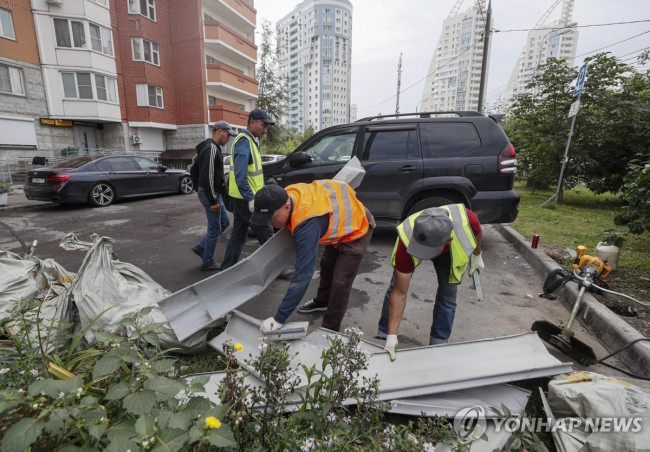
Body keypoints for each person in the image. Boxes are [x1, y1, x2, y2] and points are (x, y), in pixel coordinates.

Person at [249, 180, 375, 333]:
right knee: (327, 264)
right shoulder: (287, 193)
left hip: (357, 228)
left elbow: (303, 275)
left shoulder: (307, 224)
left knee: (341, 281)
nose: (269, 224)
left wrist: (279, 318)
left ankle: (329, 329)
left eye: (272, 219)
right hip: (337, 223)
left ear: (286, 207)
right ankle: (321, 301)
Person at [377, 205, 484, 360]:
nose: (424, 255)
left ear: (448, 240)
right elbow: (400, 293)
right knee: (396, 286)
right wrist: (392, 336)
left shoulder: (468, 221)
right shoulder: (407, 241)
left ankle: (439, 340)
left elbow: (478, 232)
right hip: (413, 247)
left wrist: (477, 254)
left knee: (448, 294)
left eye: (427, 251)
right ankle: (385, 333)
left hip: (450, 252)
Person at [221, 109, 275, 271]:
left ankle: (227, 268)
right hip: (247, 200)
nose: (265, 130)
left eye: (267, 126)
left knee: (238, 234)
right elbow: (240, 174)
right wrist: (251, 198)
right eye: (263, 125)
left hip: (244, 199)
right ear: (252, 122)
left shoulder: (251, 141)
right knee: (266, 232)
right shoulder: (244, 141)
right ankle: (278, 267)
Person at [190, 121, 236, 271]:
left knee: (224, 222)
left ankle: (202, 247)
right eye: (228, 134)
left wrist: (200, 189)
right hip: (213, 195)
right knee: (215, 229)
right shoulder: (210, 148)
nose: (228, 138)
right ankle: (207, 261)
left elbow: (193, 170)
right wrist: (212, 199)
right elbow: (207, 176)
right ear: (220, 131)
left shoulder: (210, 147)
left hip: (212, 193)